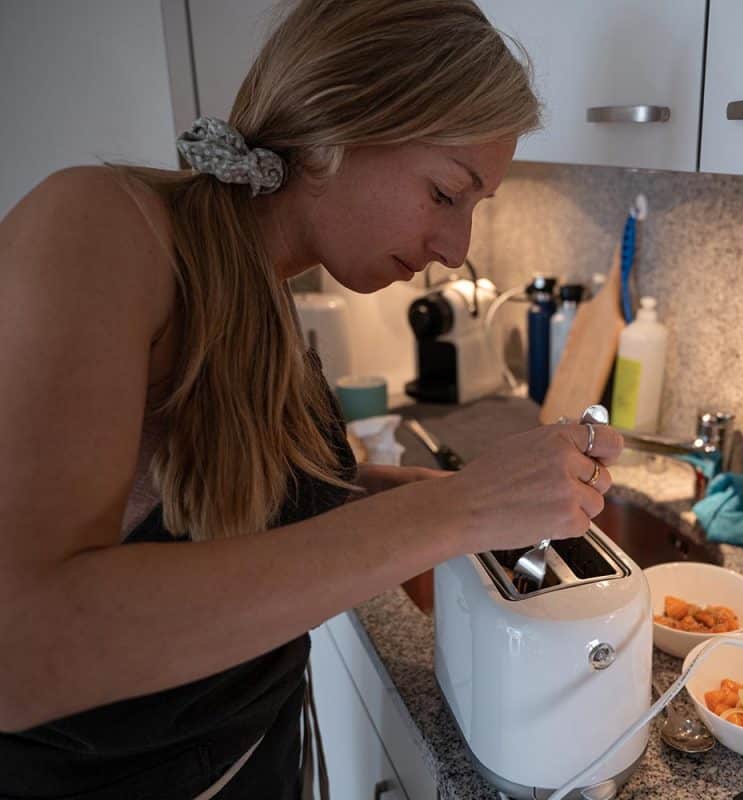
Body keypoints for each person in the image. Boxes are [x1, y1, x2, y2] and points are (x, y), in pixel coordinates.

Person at [0, 1, 622, 797]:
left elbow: (217, 515)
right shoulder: (99, 227)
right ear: (335, 125)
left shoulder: (262, 289)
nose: (455, 249)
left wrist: (407, 496)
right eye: (444, 193)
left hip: (259, 759)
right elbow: (23, 648)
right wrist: (457, 510)